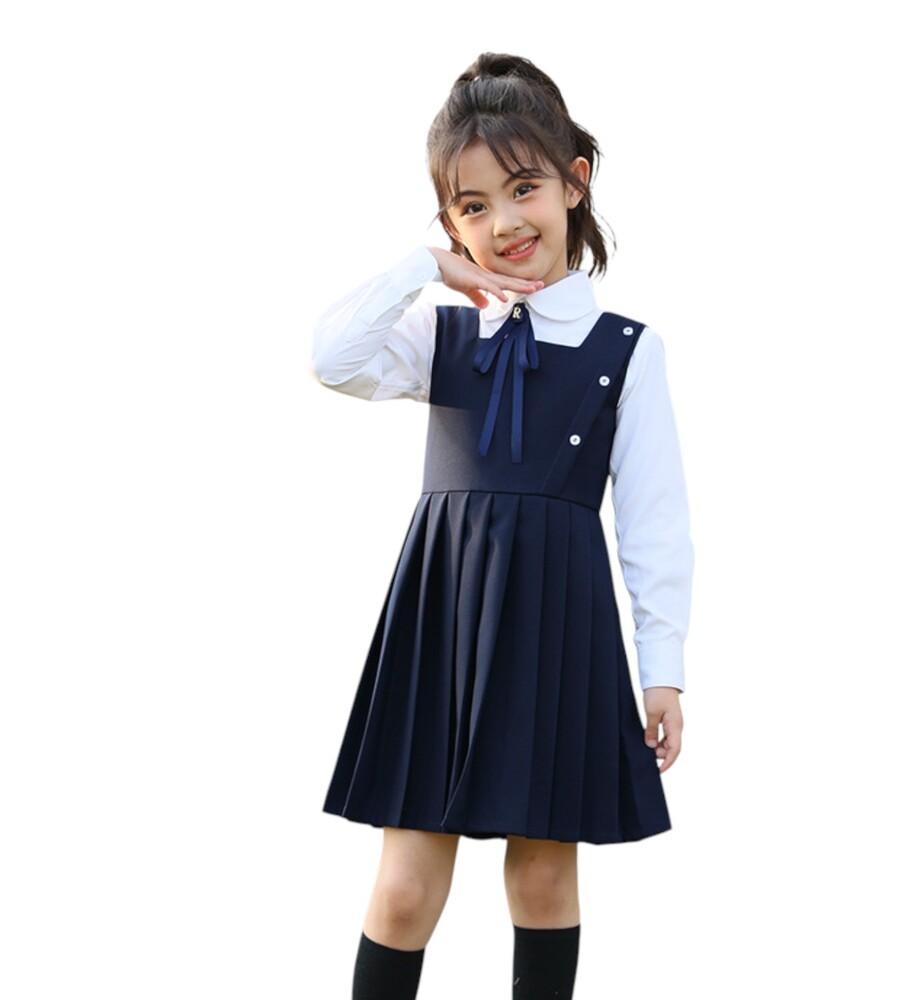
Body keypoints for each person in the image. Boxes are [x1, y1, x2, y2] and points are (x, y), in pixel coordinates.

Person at [311, 52, 695, 1000]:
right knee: (404, 889)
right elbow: (331, 358)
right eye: (472, 207)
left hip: (557, 624)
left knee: (542, 877)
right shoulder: (441, 337)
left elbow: (654, 520)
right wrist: (422, 269)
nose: (505, 224)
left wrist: (662, 667)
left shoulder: (625, 352)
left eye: (524, 189)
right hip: (439, 621)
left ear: (575, 182)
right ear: (451, 224)